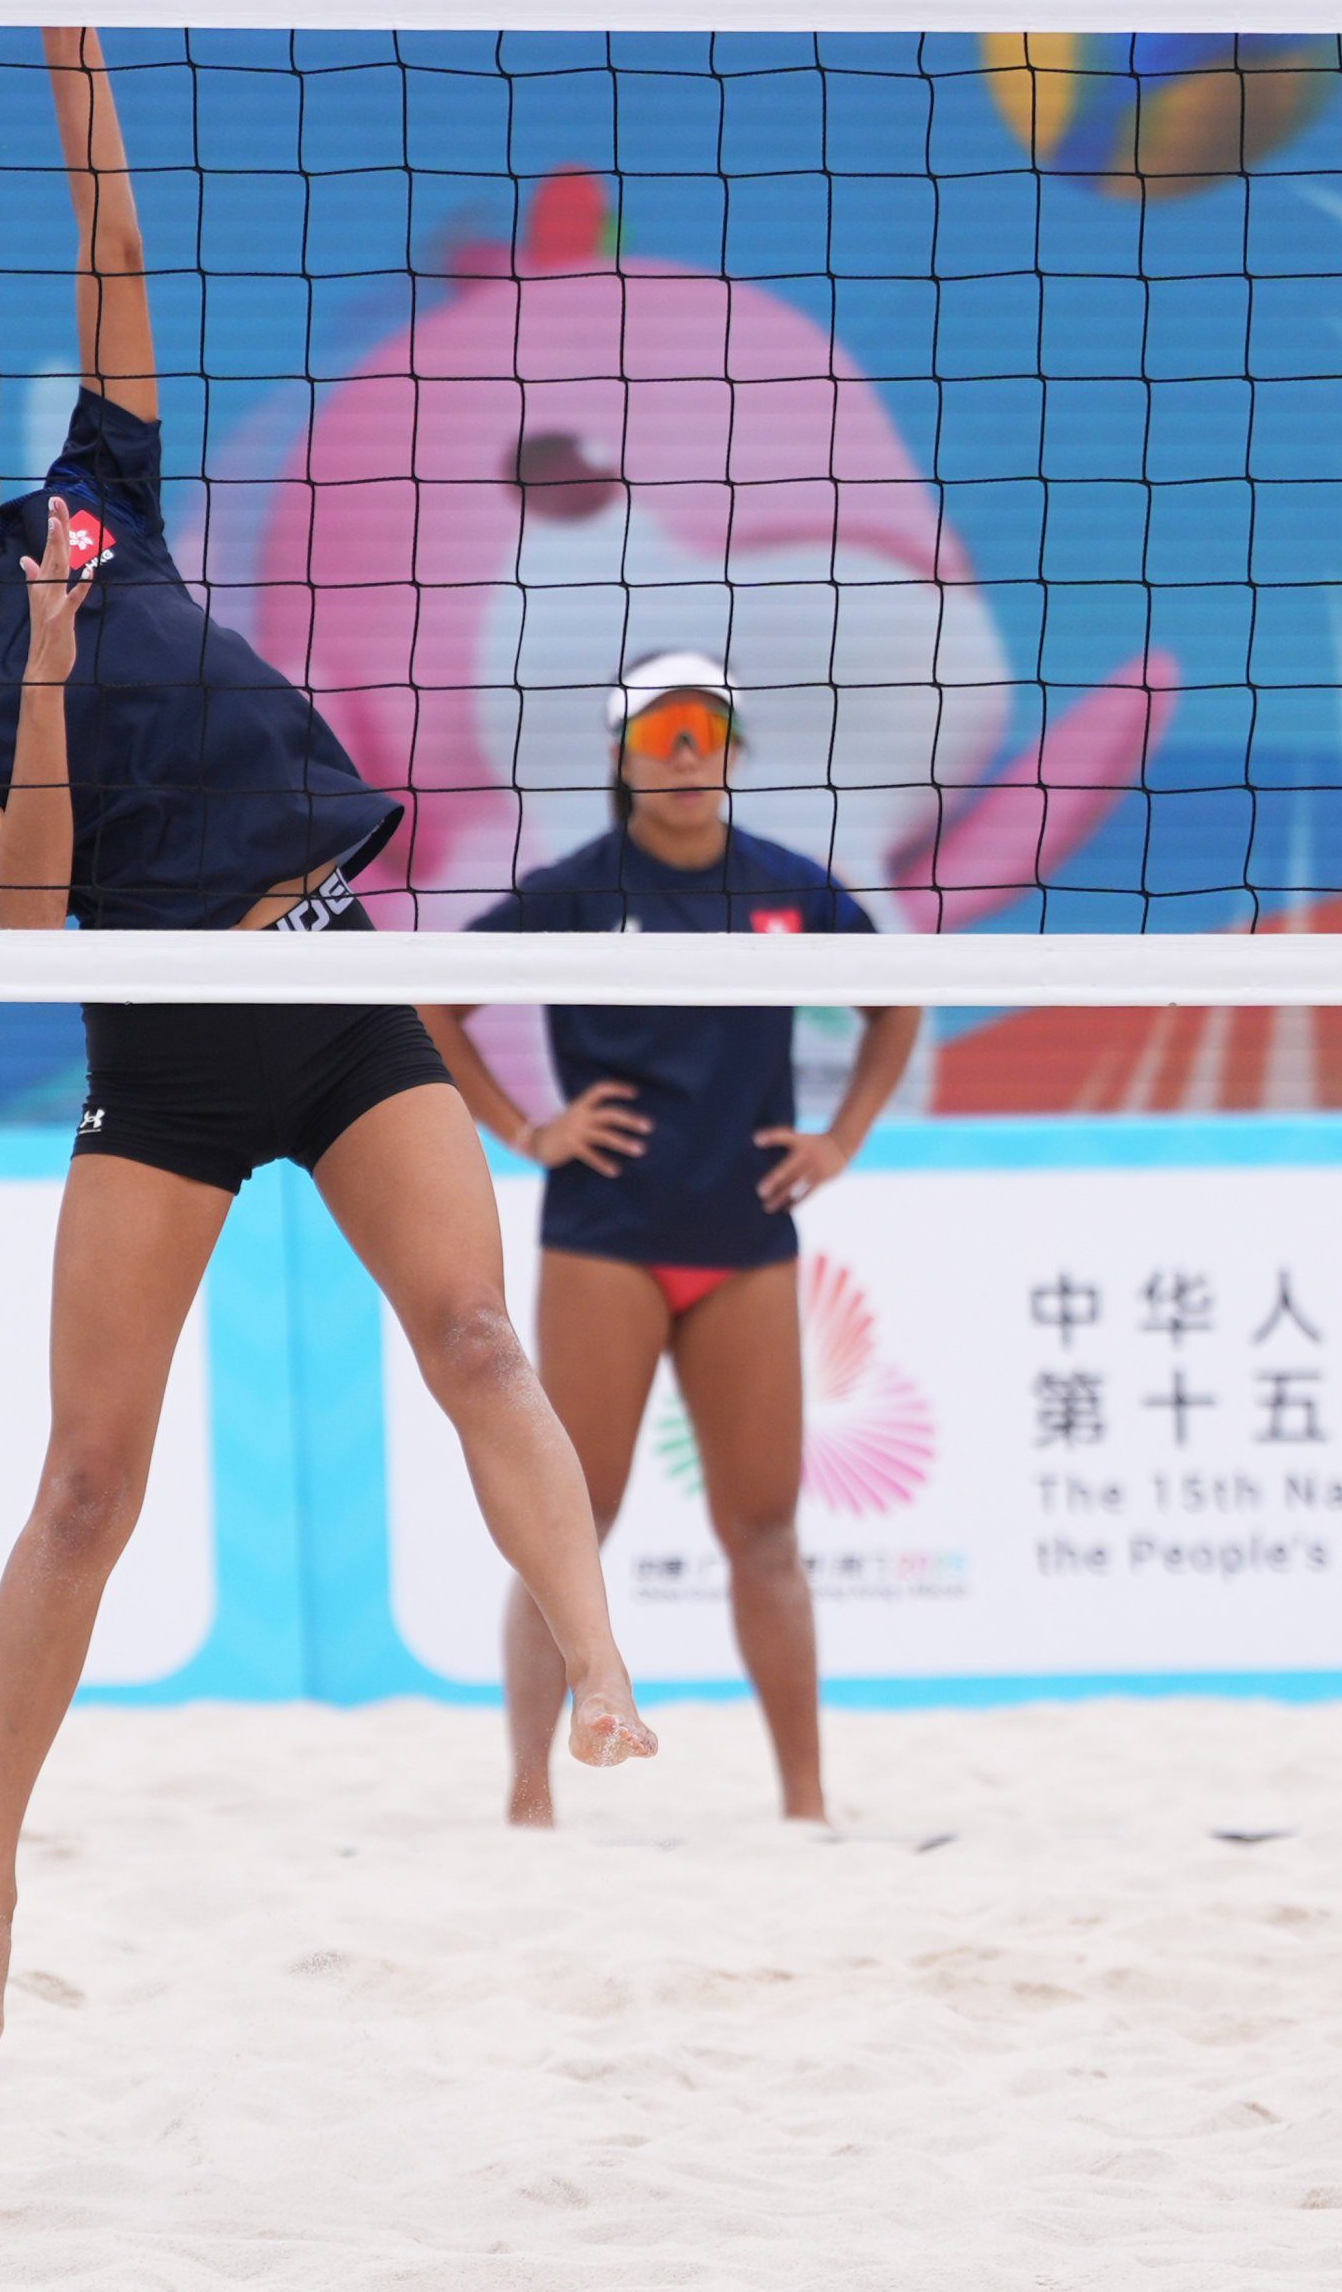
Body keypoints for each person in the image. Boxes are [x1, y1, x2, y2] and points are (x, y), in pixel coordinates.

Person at [0, 0, 654, 2070]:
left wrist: (63, 16)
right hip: (164, 1040)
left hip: (329, 969)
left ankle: (599, 1663)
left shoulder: (88, 499)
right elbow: (29, 903)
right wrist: (55, 670)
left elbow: (115, 248)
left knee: (476, 1334)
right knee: (88, 1484)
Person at [419, 657, 922, 1829]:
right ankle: (529, 1802)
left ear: (734, 748)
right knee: (572, 1524)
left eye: (706, 728)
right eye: (661, 732)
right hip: (610, 1237)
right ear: (621, 757)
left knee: (766, 1533)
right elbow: (434, 1000)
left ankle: (806, 1808)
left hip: (744, 1232)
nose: (687, 751)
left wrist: (843, 1136)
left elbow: (899, 997)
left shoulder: (791, 887)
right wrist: (527, 1131)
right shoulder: (576, 890)